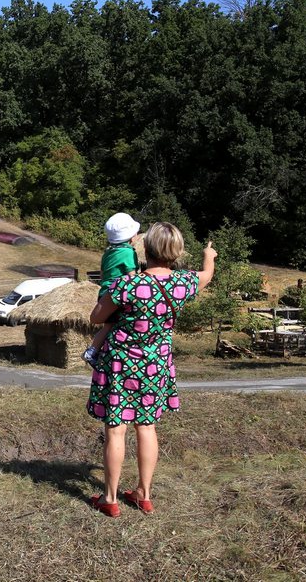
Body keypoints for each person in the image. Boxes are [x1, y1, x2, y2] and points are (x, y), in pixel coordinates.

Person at [86, 222, 217, 517]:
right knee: (146, 427)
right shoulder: (183, 283)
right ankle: (144, 494)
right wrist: (209, 254)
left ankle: (110, 499)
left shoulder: (129, 285)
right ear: (177, 252)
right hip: (155, 364)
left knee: (115, 430)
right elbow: (206, 276)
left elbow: (97, 317)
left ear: (145, 249)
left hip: (120, 364)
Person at [82, 213, 142, 367]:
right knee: (118, 325)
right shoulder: (129, 252)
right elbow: (132, 276)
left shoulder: (108, 253)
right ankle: (92, 351)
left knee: (109, 325)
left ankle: (96, 350)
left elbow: (103, 275)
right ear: (129, 236)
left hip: (105, 292)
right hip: (119, 293)